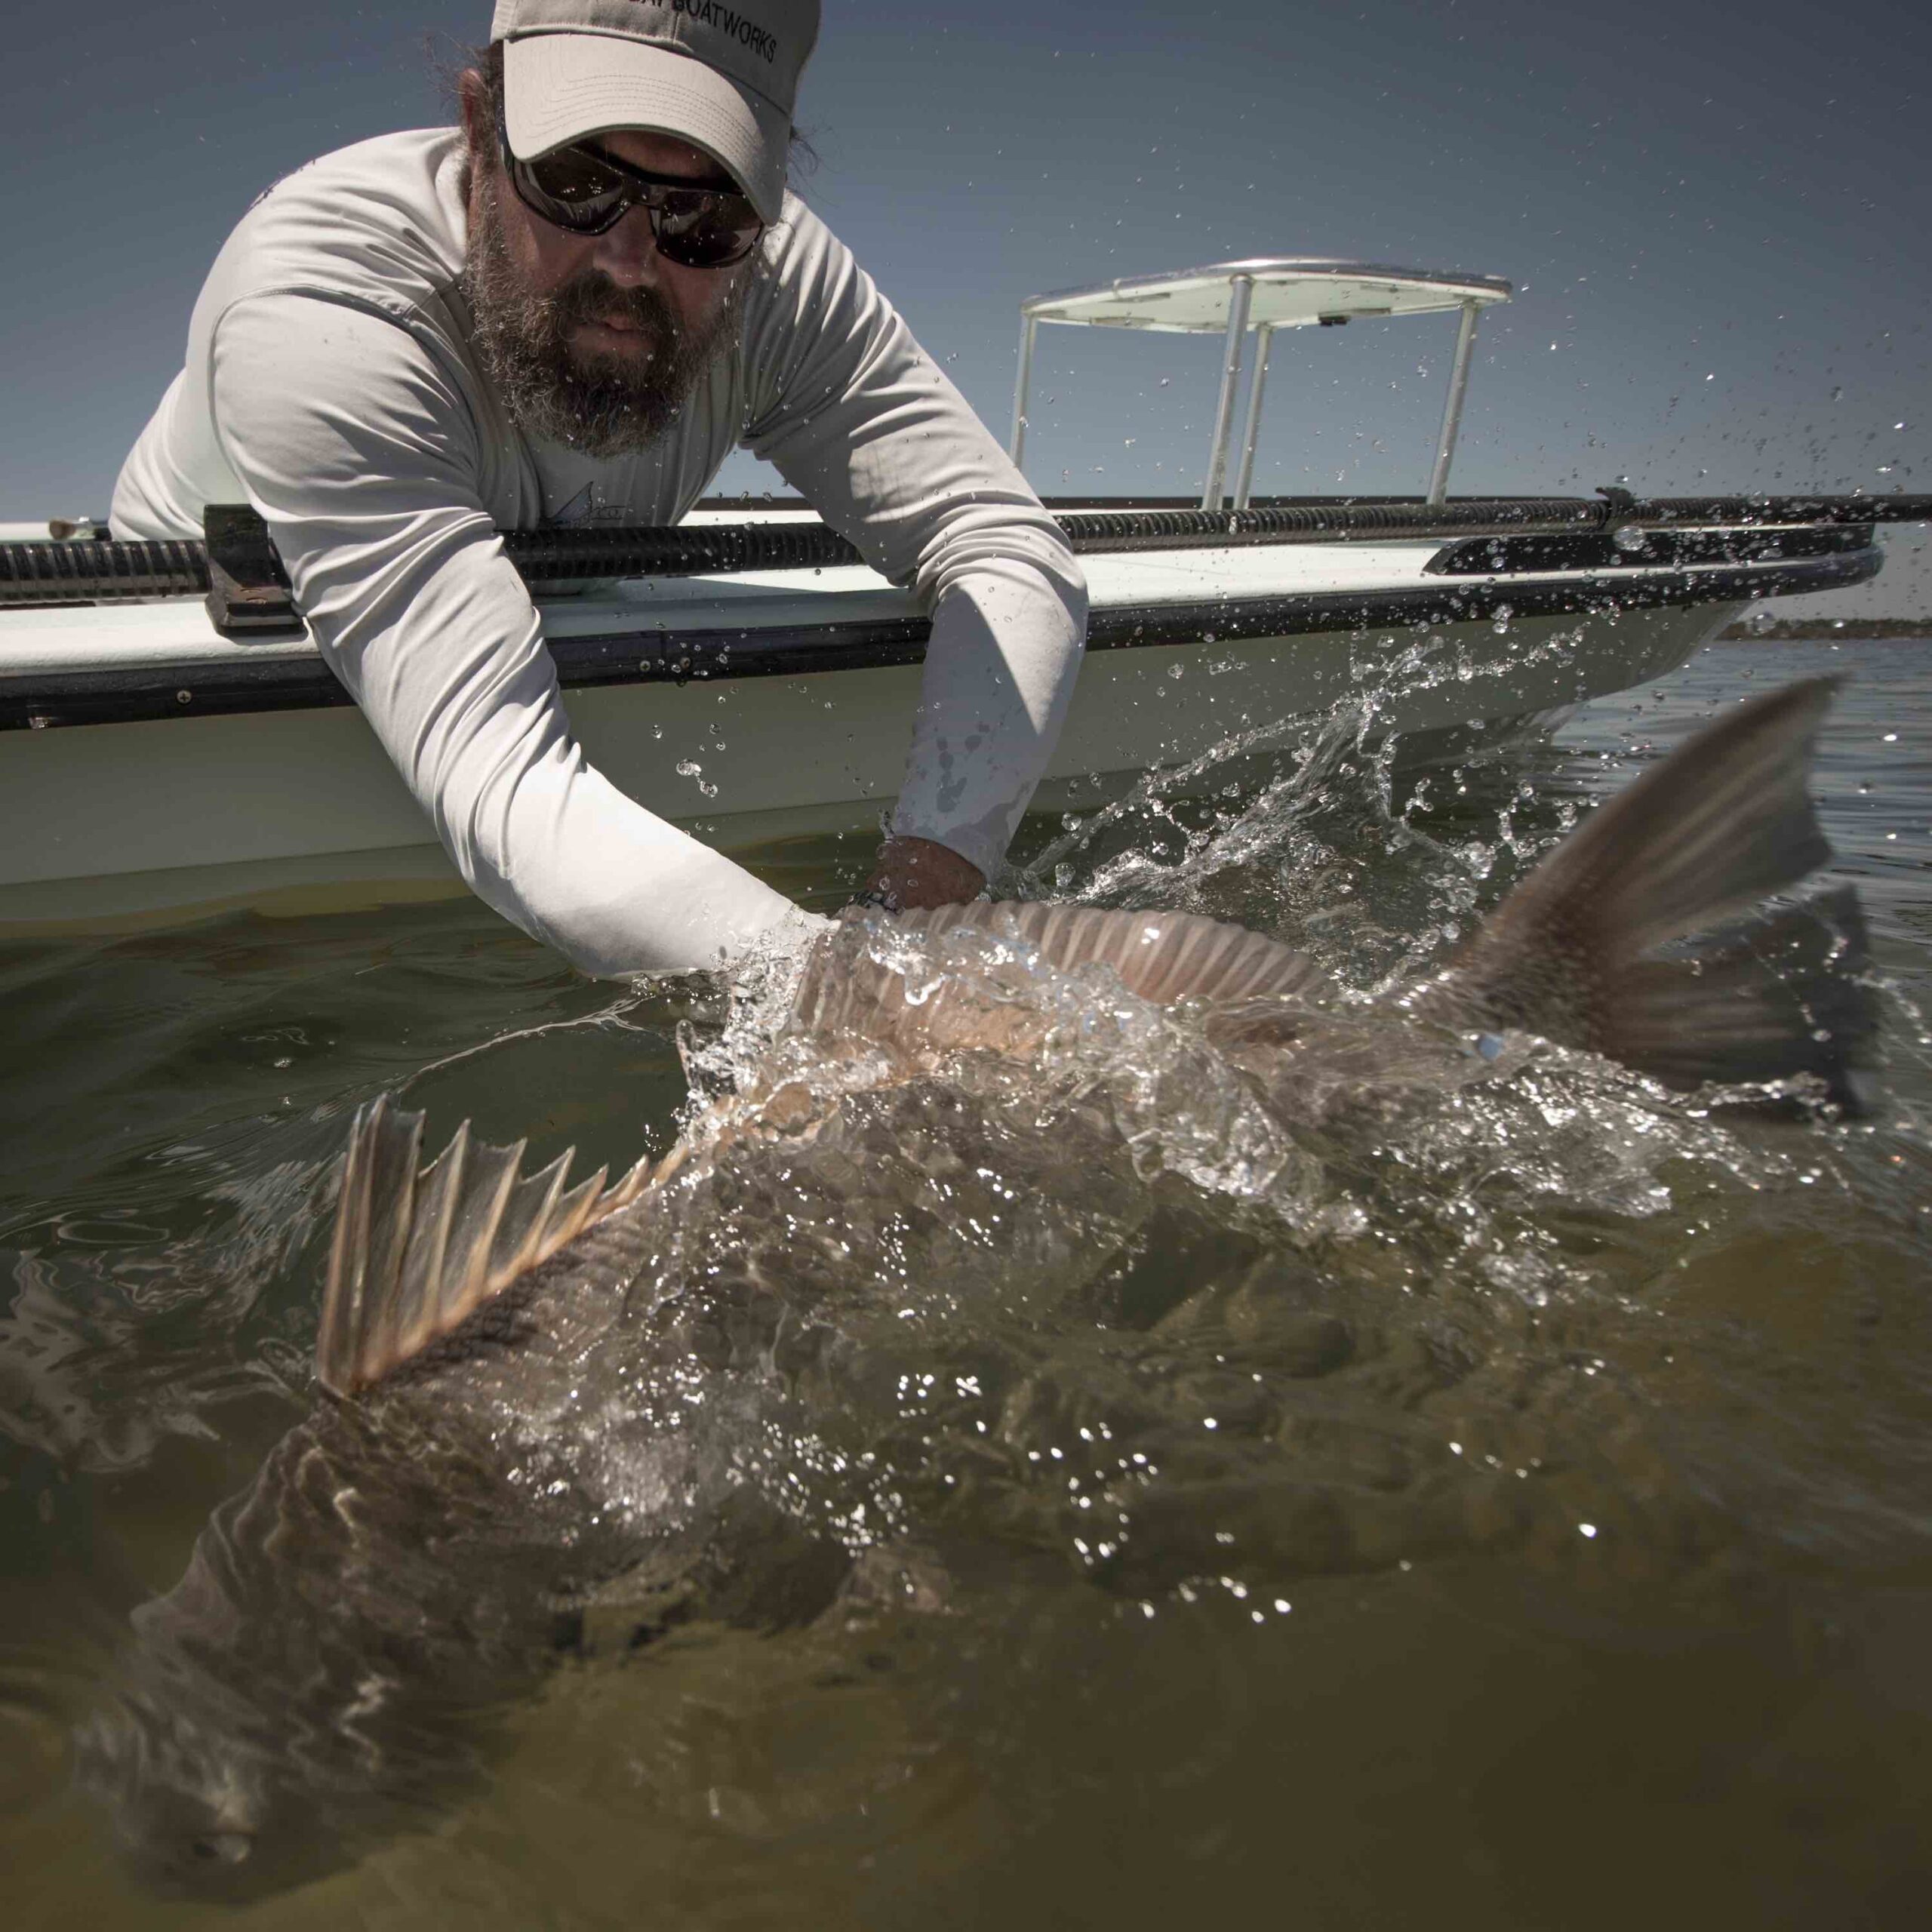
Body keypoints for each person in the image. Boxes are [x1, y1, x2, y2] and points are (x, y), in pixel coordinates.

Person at [111, 2, 1088, 976]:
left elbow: (1003, 543)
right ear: (478, 132)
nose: (630, 265)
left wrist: (913, 918)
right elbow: (506, 782)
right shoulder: (324, 306)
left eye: (703, 212)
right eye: (576, 181)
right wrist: (853, 1005)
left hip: (556, 584)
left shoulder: (777, 280)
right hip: (224, 590)